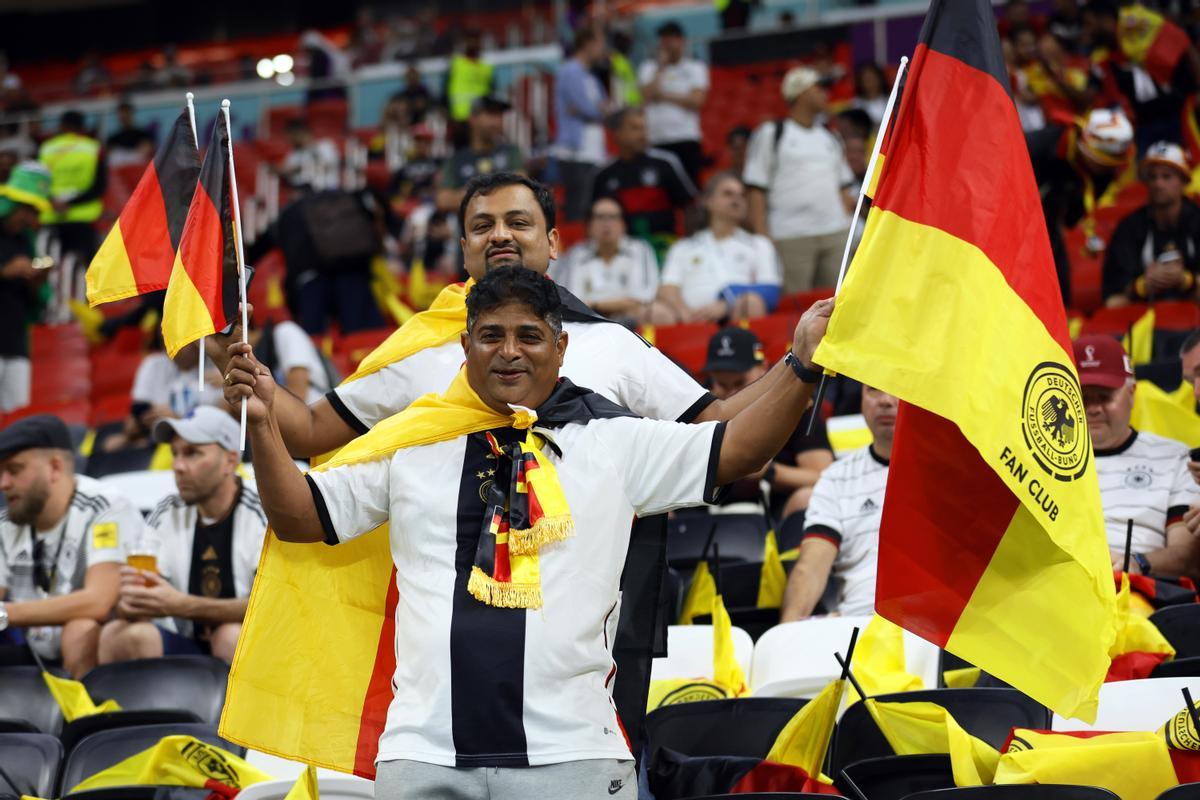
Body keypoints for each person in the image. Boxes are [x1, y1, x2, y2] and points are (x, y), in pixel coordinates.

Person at [229, 265, 832, 798]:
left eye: (529, 336)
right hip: (422, 753)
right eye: (491, 335)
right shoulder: (412, 444)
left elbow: (738, 451)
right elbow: (299, 516)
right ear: (465, 345)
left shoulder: (615, 440)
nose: (509, 351)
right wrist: (262, 425)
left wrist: (802, 365)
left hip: (574, 754)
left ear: (561, 346)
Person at [98, 408, 266, 665]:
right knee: (118, 634)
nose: (177, 466)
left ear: (230, 461)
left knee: (231, 636)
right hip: (187, 640)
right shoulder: (168, 511)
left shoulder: (261, 513)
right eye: (175, 453)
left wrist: (181, 605)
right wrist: (130, 602)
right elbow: (137, 601)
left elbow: (270, 606)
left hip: (253, 642)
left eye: (192, 453)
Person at [0, 415, 141, 676]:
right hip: (35, 647)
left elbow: (97, 602)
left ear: (54, 467)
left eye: (14, 470)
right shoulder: (8, 521)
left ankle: (82, 716)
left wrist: (5, 613)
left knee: (79, 628)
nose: (3, 483)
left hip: (104, 643)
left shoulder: (106, 507)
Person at [1075, 335, 1200, 577]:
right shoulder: (1037, 460)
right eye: (1082, 397)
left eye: (1104, 396)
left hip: (1133, 590)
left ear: (1132, 392)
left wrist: (1134, 562)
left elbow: (1187, 556)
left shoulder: (1177, 458)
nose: (1093, 408)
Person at [779, 385, 897, 621]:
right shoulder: (836, 478)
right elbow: (810, 569)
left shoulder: (950, 466)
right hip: (858, 624)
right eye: (873, 390)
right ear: (861, 398)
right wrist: (786, 634)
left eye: (898, 388)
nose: (885, 400)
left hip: (936, 627)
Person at [743, 67, 854, 293]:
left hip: (835, 233)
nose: (825, 94)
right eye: (818, 88)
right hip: (791, 235)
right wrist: (763, 239)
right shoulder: (772, 133)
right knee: (797, 309)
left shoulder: (830, 136)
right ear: (801, 93)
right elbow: (756, 189)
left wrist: (847, 225)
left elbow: (842, 188)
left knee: (840, 303)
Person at [703, 327, 833, 520]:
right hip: (701, 515)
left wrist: (769, 472)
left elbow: (823, 477)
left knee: (807, 498)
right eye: (722, 385)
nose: (732, 394)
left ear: (763, 368)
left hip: (776, 515)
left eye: (739, 383)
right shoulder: (701, 411)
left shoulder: (797, 404)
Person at [1028, 107, 1136, 306]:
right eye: (1101, 162)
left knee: (1059, 292)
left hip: (1048, 227)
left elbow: (1072, 219)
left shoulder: (1104, 174)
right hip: (1013, 215)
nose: (1106, 168)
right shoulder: (1037, 146)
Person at [658, 171, 782, 322]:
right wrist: (685, 313)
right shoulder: (683, 247)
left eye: (741, 195)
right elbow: (667, 289)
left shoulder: (759, 244)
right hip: (690, 320)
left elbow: (770, 290)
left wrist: (727, 304)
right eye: (728, 194)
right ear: (708, 201)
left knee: (751, 303)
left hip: (737, 316)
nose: (737, 199)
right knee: (656, 311)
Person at [1103, 141, 1200, 305]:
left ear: (1184, 181)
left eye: (1167, 177)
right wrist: (1141, 286)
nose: (1158, 184)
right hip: (1145, 317)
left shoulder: (1197, 220)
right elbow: (1111, 296)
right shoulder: (1129, 227)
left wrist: (1186, 280)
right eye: (1152, 177)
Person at [549, 196, 668, 326]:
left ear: (623, 224)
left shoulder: (640, 249)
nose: (606, 223)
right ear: (589, 225)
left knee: (658, 311)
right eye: (600, 217)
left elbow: (643, 297)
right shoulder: (576, 254)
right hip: (587, 319)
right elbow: (571, 301)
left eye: (612, 217)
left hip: (631, 317)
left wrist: (597, 304)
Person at [591, 108, 697, 253]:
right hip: (622, 250)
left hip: (663, 246)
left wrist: (690, 243)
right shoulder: (603, 174)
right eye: (635, 128)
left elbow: (689, 206)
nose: (643, 134)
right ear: (617, 134)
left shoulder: (665, 163)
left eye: (644, 128)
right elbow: (593, 218)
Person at [0, 162, 51, 413]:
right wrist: (4, 270)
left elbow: (36, 301)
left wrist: (36, 282)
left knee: (16, 416)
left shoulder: (25, 240)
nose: (31, 218)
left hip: (16, 342)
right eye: (26, 209)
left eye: (34, 212)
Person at [637, 21, 709, 184]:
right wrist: (661, 68)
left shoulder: (695, 68)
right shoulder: (648, 68)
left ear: (681, 41)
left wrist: (663, 95)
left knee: (690, 188)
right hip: (656, 140)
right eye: (663, 40)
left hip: (685, 138)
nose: (666, 45)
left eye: (671, 39)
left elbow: (696, 100)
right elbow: (646, 94)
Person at [554, 27, 609, 222]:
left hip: (594, 151)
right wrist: (597, 110)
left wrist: (598, 110)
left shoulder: (592, 78)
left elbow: (605, 108)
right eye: (601, 44)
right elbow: (589, 108)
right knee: (578, 209)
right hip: (575, 152)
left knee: (591, 208)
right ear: (588, 44)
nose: (604, 50)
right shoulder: (570, 71)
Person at [436, 96, 524, 216]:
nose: (497, 121)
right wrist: (497, 192)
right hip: (468, 230)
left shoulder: (511, 152)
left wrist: (469, 194)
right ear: (473, 119)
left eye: (499, 115)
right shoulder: (457, 159)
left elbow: (519, 192)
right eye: (491, 114)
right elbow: (443, 200)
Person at [39, 110, 106, 265]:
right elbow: (99, 187)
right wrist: (70, 203)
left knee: (52, 268)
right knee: (84, 270)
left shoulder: (46, 148)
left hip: (52, 217)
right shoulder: (93, 148)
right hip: (84, 219)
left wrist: (55, 202)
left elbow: (38, 184)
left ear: (62, 126)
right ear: (82, 127)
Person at [445, 29, 495, 126]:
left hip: (481, 118)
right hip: (459, 119)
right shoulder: (456, 64)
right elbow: (445, 91)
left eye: (476, 41)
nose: (473, 43)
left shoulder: (486, 67)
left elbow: (491, 92)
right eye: (470, 40)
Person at [279, 118, 340, 193]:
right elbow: (290, 176)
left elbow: (329, 165)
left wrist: (300, 168)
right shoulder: (293, 155)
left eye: (291, 136)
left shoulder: (325, 146)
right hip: (304, 194)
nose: (289, 141)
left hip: (327, 192)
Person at [104, 101, 155, 167]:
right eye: (122, 115)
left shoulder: (143, 136)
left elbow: (147, 152)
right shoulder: (113, 139)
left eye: (126, 114)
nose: (124, 117)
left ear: (131, 114)